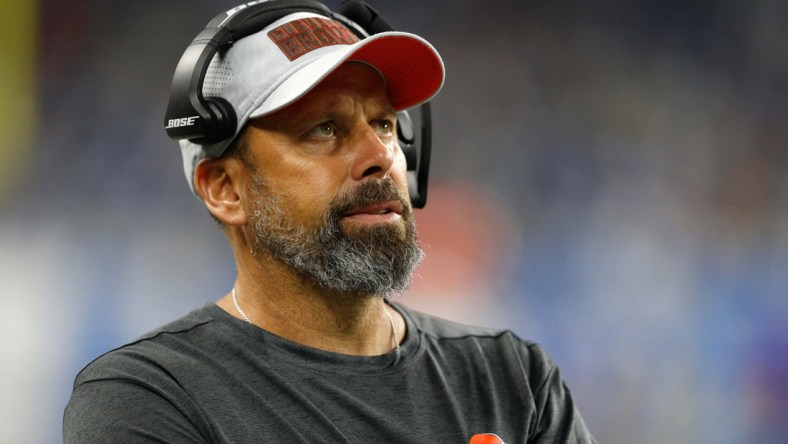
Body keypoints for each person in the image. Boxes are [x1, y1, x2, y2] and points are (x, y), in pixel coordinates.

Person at [63, 2, 596, 443]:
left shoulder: (512, 378)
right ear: (225, 189)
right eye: (322, 128)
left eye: (385, 124)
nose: (379, 156)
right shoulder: (149, 397)